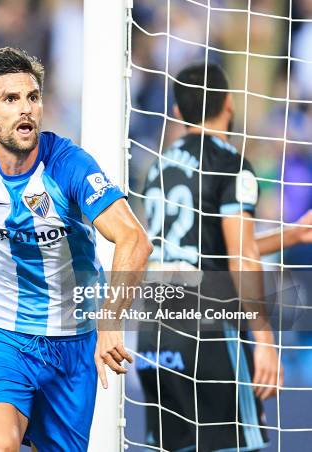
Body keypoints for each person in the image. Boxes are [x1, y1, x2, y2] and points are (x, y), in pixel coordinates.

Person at [0, 47, 152, 451]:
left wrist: (110, 322)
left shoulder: (69, 164)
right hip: (0, 332)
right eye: (11, 99)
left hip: (72, 345)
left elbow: (134, 239)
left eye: (33, 97)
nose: (26, 109)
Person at [139, 62, 312, 452]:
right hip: (209, 328)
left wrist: (293, 233)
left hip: (156, 330)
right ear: (229, 104)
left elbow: (208, 244)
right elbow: (241, 257)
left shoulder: (158, 169)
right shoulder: (231, 165)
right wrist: (265, 339)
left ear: (179, 113)